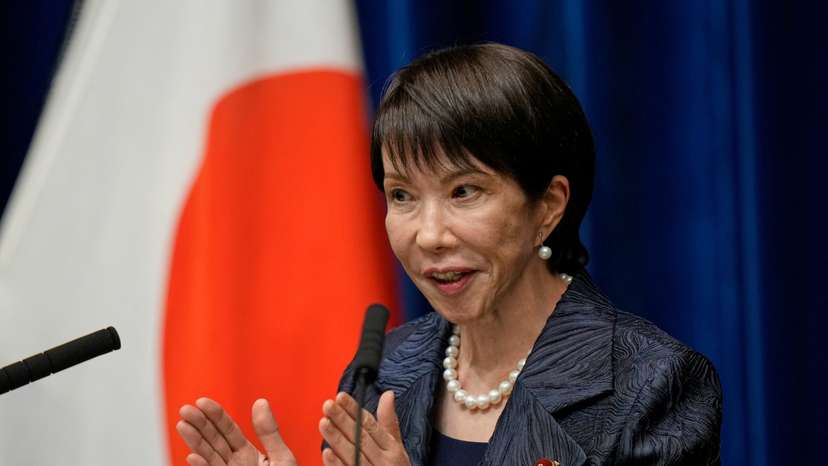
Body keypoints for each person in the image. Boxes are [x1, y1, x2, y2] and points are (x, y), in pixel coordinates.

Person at [175, 43, 722, 466]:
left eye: (465, 191)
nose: (430, 235)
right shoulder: (383, 371)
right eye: (402, 196)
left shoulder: (652, 385)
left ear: (549, 206)